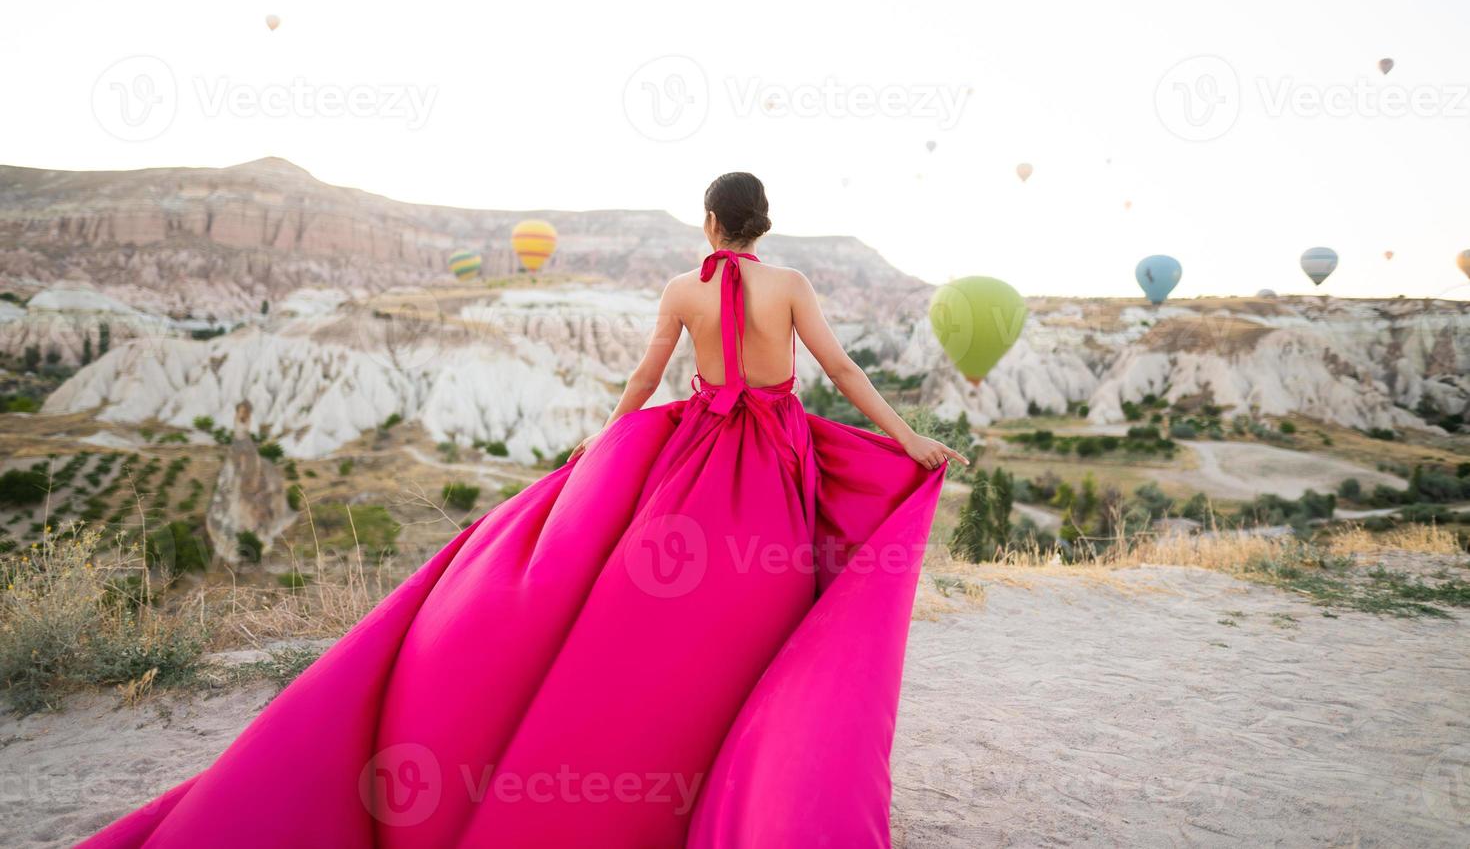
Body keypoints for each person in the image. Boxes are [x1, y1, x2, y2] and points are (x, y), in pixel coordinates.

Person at [80, 171, 966, 849]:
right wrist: (908, 438)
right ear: (763, 226)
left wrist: (604, 446)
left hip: (695, 460)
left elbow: (646, 380)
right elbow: (842, 375)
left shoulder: (681, 290)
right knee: (766, 606)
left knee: (655, 612)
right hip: (772, 465)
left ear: (708, 222)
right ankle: (757, 772)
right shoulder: (793, 285)